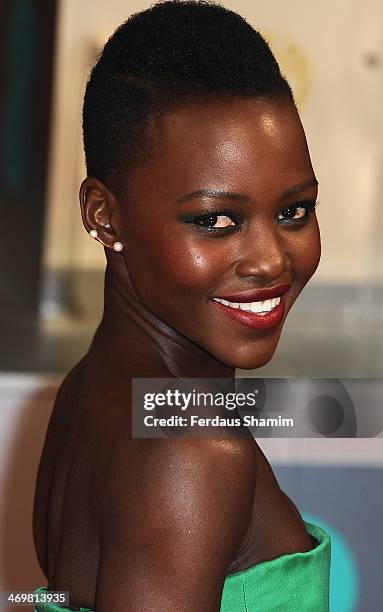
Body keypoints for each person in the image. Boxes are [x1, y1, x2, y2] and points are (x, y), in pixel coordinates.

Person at [33, 1, 330, 610]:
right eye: (215, 220)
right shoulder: (192, 449)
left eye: (294, 210)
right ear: (103, 214)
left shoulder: (92, 390)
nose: (271, 259)